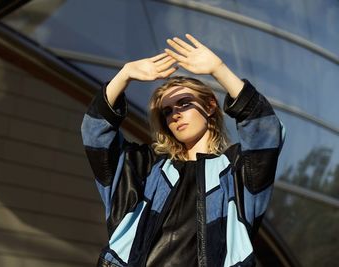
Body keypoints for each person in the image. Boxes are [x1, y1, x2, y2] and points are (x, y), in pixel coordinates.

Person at [81, 34, 285, 267]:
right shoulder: (144, 169)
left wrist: (219, 69)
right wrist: (124, 75)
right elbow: (95, 133)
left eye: (184, 103)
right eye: (167, 111)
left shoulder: (236, 172)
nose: (175, 114)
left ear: (209, 107)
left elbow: (266, 130)